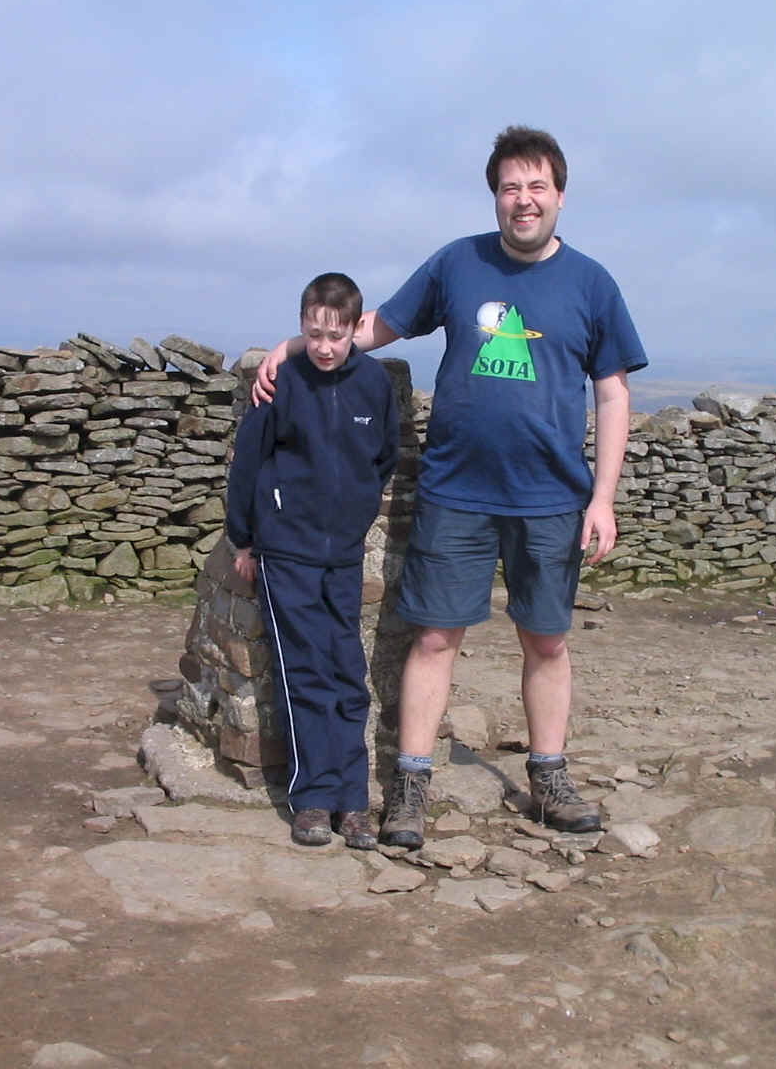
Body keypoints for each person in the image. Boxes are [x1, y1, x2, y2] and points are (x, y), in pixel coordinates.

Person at [253, 126, 647, 849]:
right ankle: (410, 782)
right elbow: (382, 327)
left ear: (560, 195)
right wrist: (297, 344)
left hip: (552, 496)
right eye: (510, 187)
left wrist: (602, 498)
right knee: (435, 636)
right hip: (456, 489)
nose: (523, 200)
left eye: (537, 187)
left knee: (548, 642)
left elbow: (613, 394)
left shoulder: (593, 284)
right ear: (495, 195)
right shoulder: (457, 264)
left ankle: (549, 775)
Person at [226, 272, 400, 848]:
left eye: (337, 334)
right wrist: (246, 539)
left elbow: (382, 458)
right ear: (302, 327)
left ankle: (353, 802)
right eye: (315, 333)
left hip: (343, 555)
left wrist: (353, 516)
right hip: (286, 553)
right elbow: (248, 464)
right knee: (306, 674)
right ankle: (312, 799)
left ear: (355, 328)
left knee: (347, 674)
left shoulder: (373, 384)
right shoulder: (282, 382)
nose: (325, 346)